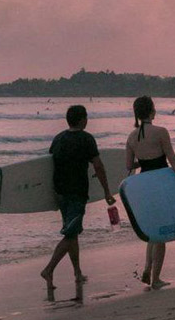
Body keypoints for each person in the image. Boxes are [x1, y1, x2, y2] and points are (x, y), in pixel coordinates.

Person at [41, 105, 116, 295]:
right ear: (82, 120)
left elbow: (49, 164)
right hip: (76, 193)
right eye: (86, 117)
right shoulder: (86, 139)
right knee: (70, 234)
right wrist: (107, 191)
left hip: (60, 193)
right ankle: (48, 270)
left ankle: (77, 272)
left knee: (73, 233)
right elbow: (98, 166)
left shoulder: (58, 138)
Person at [125, 96, 175, 290]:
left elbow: (129, 166)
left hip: (144, 185)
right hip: (161, 184)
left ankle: (147, 268)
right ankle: (156, 280)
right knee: (162, 233)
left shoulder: (131, 137)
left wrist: (144, 161)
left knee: (153, 230)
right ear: (152, 111)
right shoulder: (161, 132)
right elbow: (172, 159)